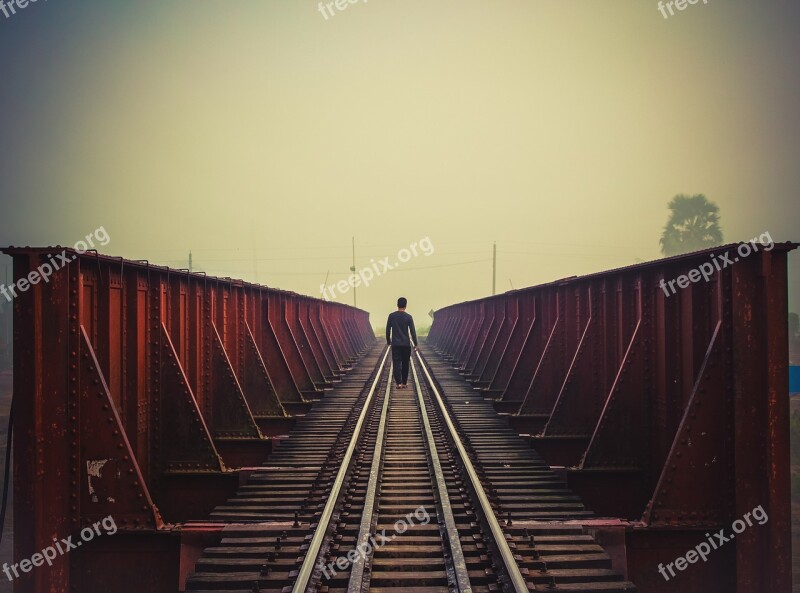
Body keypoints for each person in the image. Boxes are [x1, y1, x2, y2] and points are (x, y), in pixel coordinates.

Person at [386, 297, 418, 389]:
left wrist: (388, 341)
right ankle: (404, 383)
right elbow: (412, 331)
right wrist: (415, 343)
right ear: (406, 306)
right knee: (405, 363)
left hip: (395, 344)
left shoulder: (391, 316)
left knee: (396, 363)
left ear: (397, 305)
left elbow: (388, 329)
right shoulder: (408, 317)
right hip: (406, 344)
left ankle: (398, 383)